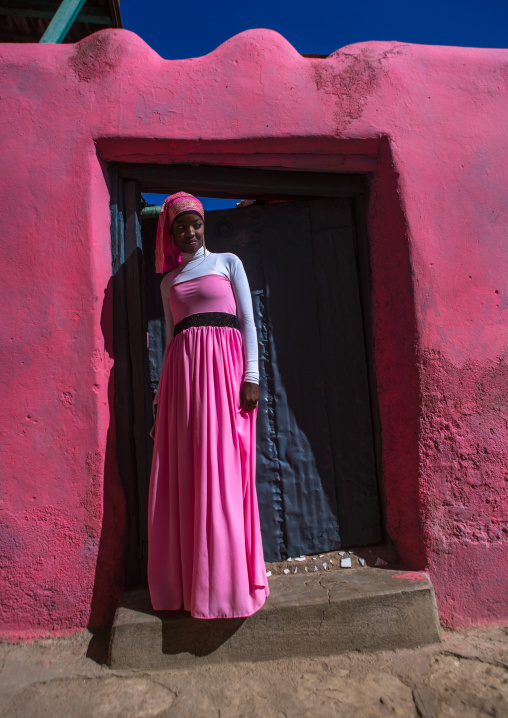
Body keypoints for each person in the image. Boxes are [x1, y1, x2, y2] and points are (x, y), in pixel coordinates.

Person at [148, 191, 269, 619]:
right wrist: (161, 402)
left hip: (226, 375)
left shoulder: (228, 263)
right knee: (191, 473)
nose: (190, 231)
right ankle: (190, 583)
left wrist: (251, 377)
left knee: (226, 469)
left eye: (195, 223)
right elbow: (168, 340)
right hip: (183, 383)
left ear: (204, 225)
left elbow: (248, 322)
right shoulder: (169, 283)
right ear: (171, 233)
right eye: (181, 225)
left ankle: (227, 584)